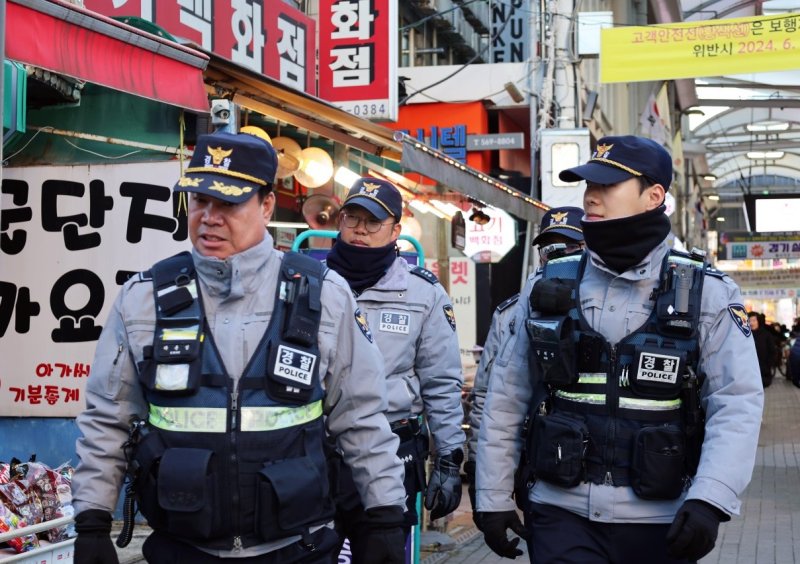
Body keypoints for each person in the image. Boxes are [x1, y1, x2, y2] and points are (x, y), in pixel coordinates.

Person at [70, 131, 407, 564]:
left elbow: (361, 419)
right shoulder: (143, 298)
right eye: (199, 202)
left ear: (266, 206)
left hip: (296, 548)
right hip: (182, 547)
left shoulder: (324, 295)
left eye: (228, 204)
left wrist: (383, 518)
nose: (209, 218)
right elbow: (107, 420)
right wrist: (92, 522)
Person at [475, 135, 764, 563]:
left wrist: (711, 499)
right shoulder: (548, 285)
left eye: (607, 185)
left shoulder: (707, 294)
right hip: (560, 515)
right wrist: (493, 496)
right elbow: (506, 396)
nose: (591, 196)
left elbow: (736, 402)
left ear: (654, 196)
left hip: (662, 522)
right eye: (588, 184)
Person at [325, 177, 465, 560]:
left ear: (395, 231)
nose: (360, 230)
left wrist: (450, 456)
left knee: (381, 552)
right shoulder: (308, 282)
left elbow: (441, 381)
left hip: (391, 451)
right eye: (352, 218)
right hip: (315, 452)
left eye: (373, 222)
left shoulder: (424, 293)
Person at [465, 206, 585, 515]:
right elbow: (488, 396)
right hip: (535, 458)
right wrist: (482, 467)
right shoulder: (511, 314)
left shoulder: (599, 311)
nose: (560, 256)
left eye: (571, 247)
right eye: (551, 248)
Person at [748, 311, 776, 388]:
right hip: (749, 372)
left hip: (763, 371)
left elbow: (772, 351)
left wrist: (768, 365)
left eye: (754, 320)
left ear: (758, 321)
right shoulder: (745, 336)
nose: (751, 323)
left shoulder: (766, 335)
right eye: (749, 321)